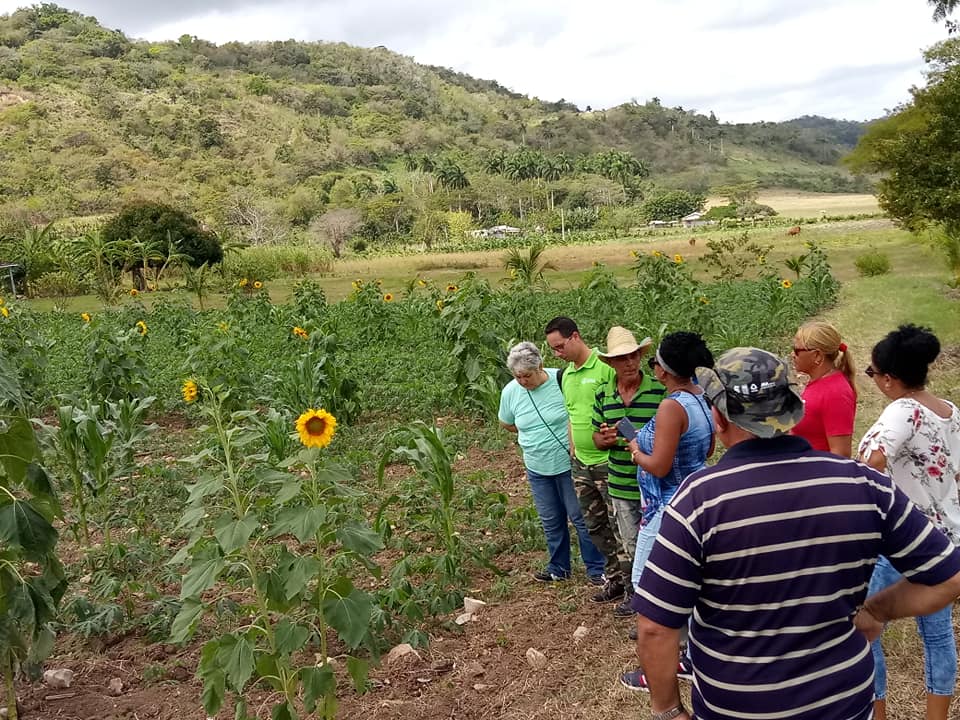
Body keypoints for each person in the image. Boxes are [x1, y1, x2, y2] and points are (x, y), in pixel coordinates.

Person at [631, 347, 960, 720]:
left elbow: (656, 627)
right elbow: (949, 578)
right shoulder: (864, 485)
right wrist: (874, 610)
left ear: (719, 417)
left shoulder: (698, 500)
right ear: (791, 411)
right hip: (844, 706)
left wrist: (668, 711)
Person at [857, 325, 960, 720]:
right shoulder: (949, 410)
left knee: (866, 626)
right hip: (946, 540)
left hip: (902, 541)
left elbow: (874, 460)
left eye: (873, 373)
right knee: (937, 635)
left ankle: (877, 712)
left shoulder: (902, 410)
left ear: (889, 378)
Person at [620, 332, 714, 691]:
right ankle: (692, 654)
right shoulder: (700, 399)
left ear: (664, 370)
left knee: (647, 583)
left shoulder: (670, 407)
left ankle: (661, 667)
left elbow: (658, 466)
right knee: (692, 580)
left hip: (665, 507)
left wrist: (635, 450)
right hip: (695, 497)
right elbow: (706, 451)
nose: (652, 368)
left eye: (654, 362)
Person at [498, 341, 606, 584]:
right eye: (518, 376)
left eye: (527, 375)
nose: (523, 381)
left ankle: (596, 568)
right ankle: (559, 567)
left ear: (541, 367)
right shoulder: (510, 391)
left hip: (567, 463)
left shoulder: (562, 379)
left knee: (580, 517)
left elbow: (578, 412)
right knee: (550, 519)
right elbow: (506, 422)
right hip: (537, 466)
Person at [544, 316, 624, 602]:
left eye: (560, 346)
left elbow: (621, 408)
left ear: (575, 337)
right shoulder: (566, 375)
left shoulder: (604, 367)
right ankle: (613, 579)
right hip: (581, 464)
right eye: (553, 349)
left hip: (608, 462)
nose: (557, 353)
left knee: (621, 525)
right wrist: (572, 449)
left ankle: (632, 587)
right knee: (595, 526)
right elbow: (572, 414)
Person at [591, 326, 665, 615]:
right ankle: (641, 597)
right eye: (622, 358)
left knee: (659, 545)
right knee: (632, 544)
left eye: (633, 356)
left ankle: (660, 600)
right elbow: (597, 437)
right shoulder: (603, 395)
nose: (630, 363)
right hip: (621, 483)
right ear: (611, 363)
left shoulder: (659, 392)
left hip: (655, 484)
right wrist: (604, 440)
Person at [790, 320, 857, 456]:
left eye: (797, 351)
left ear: (817, 356)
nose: (792, 355)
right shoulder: (820, 384)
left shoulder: (836, 393)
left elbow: (841, 454)